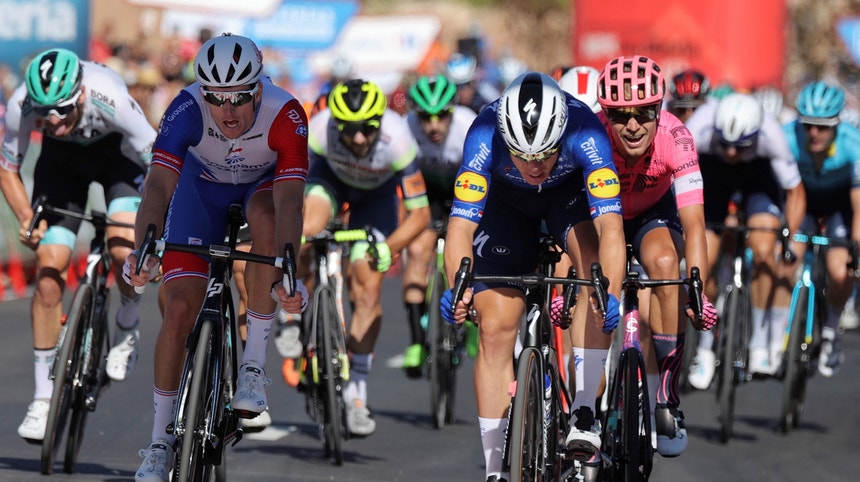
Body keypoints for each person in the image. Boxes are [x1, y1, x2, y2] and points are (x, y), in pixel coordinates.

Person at [121, 34, 309, 481]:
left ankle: (250, 368)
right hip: (198, 190)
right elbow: (158, 188)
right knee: (180, 310)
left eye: (240, 97)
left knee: (266, 217)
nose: (227, 111)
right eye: (216, 98)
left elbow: (291, 203)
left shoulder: (286, 114)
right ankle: (160, 442)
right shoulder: (184, 109)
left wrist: (287, 267)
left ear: (258, 88)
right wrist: (144, 247)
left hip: (260, 190)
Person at [440, 71, 625, 482]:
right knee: (495, 324)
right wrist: (459, 288)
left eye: (546, 153)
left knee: (593, 275)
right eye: (523, 155)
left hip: (567, 199)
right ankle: (494, 469)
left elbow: (611, 227)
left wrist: (607, 293)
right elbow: (460, 228)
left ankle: (583, 412)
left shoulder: (587, 132)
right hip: (505, 207)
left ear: (563, 133)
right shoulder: (483, 133)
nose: (535, 165)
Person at [0, 48, 155, 443]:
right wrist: (24, 218)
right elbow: (8, 168)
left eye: (62, 110)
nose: (52, 119)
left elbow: (158, 161)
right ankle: (42, 396)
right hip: (62, 164)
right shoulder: (23, 103)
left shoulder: (111, 96)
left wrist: (156, 223)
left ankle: (128, 324)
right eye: (44, 112)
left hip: (119, 156)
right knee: (50, 274)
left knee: (124, 251)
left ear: (81, 94)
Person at [594, 55, 717, 457]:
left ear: (659, 109)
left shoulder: (677, 136)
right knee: (585, 277)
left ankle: (666, 394)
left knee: (665, 263)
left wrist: (697, 288)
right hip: (601, 213)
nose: (632, 126)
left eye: (644, 113)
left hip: (652, 215)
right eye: (620, 115)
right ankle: (577, 400)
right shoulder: (592, 136)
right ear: (605, 115)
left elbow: (695, 223)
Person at [302, 78, 430, 436]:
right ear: (335, 124)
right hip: (330, 182)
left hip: (376, 200)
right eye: (350, 130)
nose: (359, 139)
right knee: (306, 226)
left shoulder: (398, 140)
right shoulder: (319, 129)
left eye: (367, 130)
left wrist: (389, 249)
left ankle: (356, 392)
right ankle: (292, 305)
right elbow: (288, 183)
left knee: (367, 284)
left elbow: (419, 215)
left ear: (380, 123)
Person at [685, 93, 805, 385]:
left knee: (764, 251)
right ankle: (704, 347)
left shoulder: (771, 135)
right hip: (712, 176)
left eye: (738, 147)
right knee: (702, 264)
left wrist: (785, 239)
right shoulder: (699, 127)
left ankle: (760, 343)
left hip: (758, 179)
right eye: (725, 145)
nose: (730, 153)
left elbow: (795, 192)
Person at [399, 74, 477, 377]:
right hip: (428, 195)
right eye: (426, 117)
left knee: (475, 254)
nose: (433, 125)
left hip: (467, 193)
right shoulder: (406, 129)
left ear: (452, 111)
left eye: (441, 116)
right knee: (418, 252)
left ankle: (472, 321)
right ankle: (417, 342)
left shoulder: (468, 126)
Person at [783, 81, 860, 376]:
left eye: (823, 127)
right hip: (802, 204)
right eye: (808, 125)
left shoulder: (853, 145)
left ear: (837, 125)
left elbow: (858, 205)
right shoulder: (788, 138)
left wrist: (855, 247)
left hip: (839, 208)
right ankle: (786, 328)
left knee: (841, 270)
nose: (813, 133)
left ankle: (830, 329)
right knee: (786, 261)